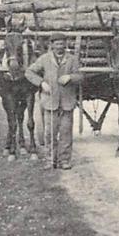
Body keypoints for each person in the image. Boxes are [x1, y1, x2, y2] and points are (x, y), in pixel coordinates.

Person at [25, 33, 83, 169]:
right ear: (51, 45)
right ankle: (50, 159)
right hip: (50, 102)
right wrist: (41, 83)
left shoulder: (72, 60)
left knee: (66, 132)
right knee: (49, 133)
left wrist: (70, 77)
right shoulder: (44, 59)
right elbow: (29, 72)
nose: (59, 47)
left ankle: (65, 160)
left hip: (67, 102)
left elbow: (81, 76)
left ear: (65, 45)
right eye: (56, 44)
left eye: (62, 44)